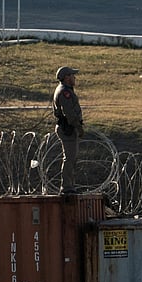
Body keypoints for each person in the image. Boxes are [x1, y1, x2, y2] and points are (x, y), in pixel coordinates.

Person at [52, 66, 84, 195]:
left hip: (69, 127)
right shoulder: (65, 92)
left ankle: (70, 185)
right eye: (72, 75)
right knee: (69, 158)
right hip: (68, 128)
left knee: (72, 158)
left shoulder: (66, 90)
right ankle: (66, 187)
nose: (74, 77)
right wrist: (78, 127)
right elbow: (69, 113)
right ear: (66, 77)